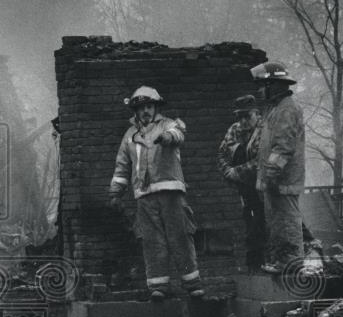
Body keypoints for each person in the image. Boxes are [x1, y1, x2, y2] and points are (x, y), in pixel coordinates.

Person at [108, 87, 205, 300]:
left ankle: (192, 284)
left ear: (156, 108)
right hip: (144, 196)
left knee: (180, 236)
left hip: (170, 191)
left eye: (149, 106)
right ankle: (159, 287)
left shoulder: (168, 124)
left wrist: (166, 138)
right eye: (141, 107)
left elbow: (178, 134)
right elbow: (122, 166)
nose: (145, 111)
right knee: (152, 241)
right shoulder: (129, 137)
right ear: (135, 111)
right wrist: (116, 192)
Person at [251, 61, 306, 274]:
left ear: (274, 85)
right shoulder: (276, 109)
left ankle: (291, 264)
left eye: (262, 85)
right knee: (277, 223)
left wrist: (270, 176)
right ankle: (282, 262)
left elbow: (283, 148)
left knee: (288, 222)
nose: (259, 90)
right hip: (276, 180)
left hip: (283, 180)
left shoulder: (287, 109)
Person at [218, 94, 267, 269]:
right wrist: (228, 171)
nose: (244, 121)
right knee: (250, 224)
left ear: (257, 114)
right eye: (240, 116)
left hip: (264, 186)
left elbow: (262, 160)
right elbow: (222, 154)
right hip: (245, 189)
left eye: (248, 116)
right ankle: (254, 266)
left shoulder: (265, 129)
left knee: (264, 225)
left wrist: (236, 171)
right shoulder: (234, 129)